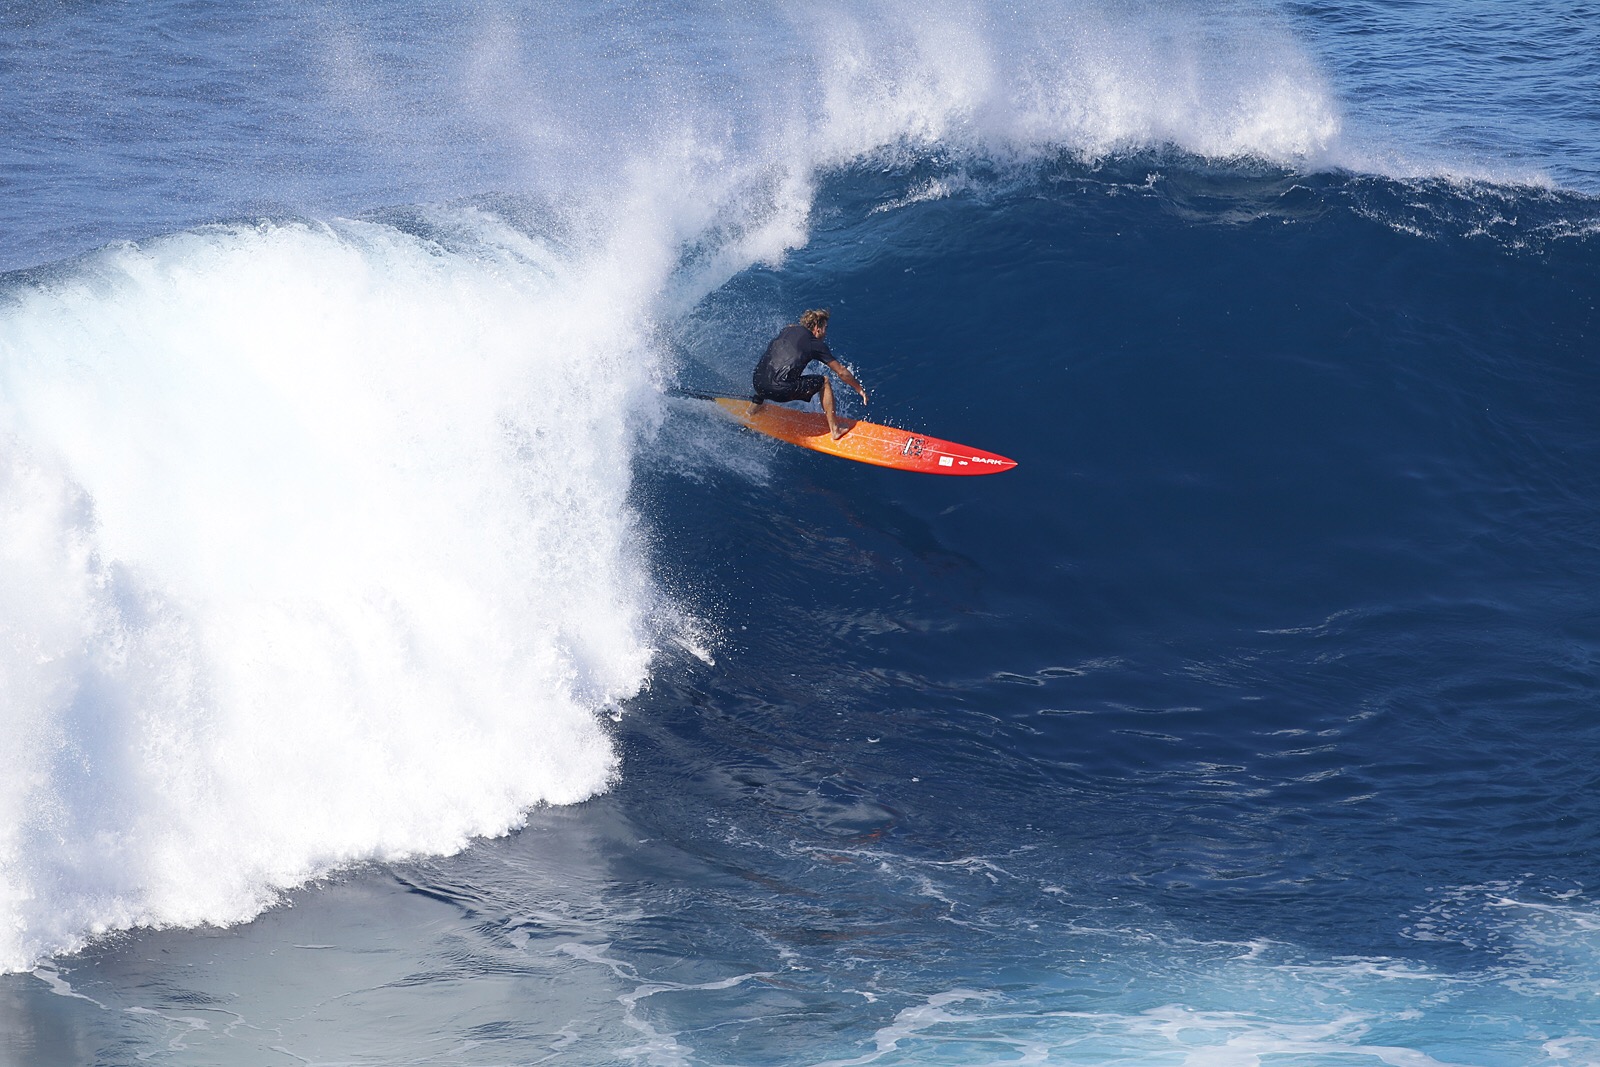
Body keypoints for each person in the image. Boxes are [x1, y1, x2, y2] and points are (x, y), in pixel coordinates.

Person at [750, 309, 869, 440]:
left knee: (772, 368)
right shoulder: (815, 344)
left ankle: (753, 409)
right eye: (825, 328)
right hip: (779, 391)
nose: (825, 333)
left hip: (757, 382)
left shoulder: (787, 330)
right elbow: (841, 371)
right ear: (817, 328)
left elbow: (792, 328)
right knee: (824, 382)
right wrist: (859, 389)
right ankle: (835, 430)